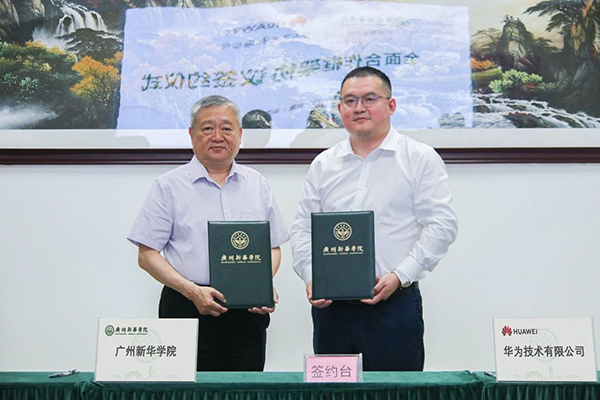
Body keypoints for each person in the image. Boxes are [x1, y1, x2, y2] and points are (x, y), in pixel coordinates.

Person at [290, 67, 458, 371]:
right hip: (332, 312)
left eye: (369, 99)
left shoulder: (419, 158)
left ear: (391, 105)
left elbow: (442, 225)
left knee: (395, 391)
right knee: (333, 392)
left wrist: (400, 274)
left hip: (394, 307)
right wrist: (311, 276)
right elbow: (303, 229)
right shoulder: (324, 164)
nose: (359, 108)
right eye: (350, 101)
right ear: (340, 108)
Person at [128, 95, 289, 371]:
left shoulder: (256, 184)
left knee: (243, 389)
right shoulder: (168, 186)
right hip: (185, 307)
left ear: (240, 134)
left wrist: (260, 284)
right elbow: (147, 254)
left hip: (246, 313)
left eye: (226, 128)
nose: (217, 136)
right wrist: (191, 291)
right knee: (185, 388)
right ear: (192, 134)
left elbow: (273, 247)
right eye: (207, 128)